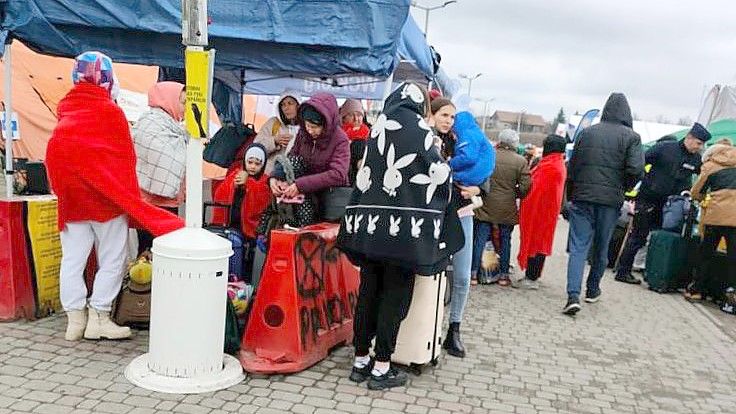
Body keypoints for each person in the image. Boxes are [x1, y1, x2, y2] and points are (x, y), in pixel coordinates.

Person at [45, 51, 184, 341]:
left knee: (72, 260)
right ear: (108, 80)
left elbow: (55, 160)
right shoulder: (111, 113)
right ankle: (99, 317)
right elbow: (124, 162)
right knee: (112, 259)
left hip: (72, 204)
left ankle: (75, 321)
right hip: (107, 203)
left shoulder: (65, 113)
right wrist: (124, 195)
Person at [338, 82, 463, 390]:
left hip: (370, 232)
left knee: (368, 294)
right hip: (404, 235)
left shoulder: (378, 129)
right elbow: (436, 175)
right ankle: (382, 369)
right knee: (394, 298)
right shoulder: (419, 130)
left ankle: (359, 361)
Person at [564, 92, 644, 315]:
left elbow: (572, 167)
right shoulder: (632, 137)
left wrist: (571, 195)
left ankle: (572, 295)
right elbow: (636, 170)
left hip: (582, 197)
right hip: (610, 201)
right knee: (601, 247)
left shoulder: (586, 134)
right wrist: (624, 188)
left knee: (578, 247)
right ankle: (592, 289)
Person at [430, 96, 494, 358]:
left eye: (452, 116)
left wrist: (478, 189)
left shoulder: (462, 140)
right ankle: (426, 328)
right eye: (444, 115)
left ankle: (454, 328)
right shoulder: (426, 140)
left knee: (463, 274)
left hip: (463, 213)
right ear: (432, 115)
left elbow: (486, 179)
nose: (448, 121)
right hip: (433, 215)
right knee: (430, 272)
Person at [615, 125, 708, 284]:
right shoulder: (664, 148)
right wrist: (645, 180)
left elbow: (702, 177)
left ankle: (651, 271)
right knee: (638, 236)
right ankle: (623, 271)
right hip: (648, 199)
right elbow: (640, 161)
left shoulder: (695, 159)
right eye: (698, 143)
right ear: (689, 138)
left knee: (658, 239)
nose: (700, 147)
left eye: (702, 145)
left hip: (671, 206)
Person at [132, 81, 187, 255]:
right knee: (147, 251)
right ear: (169, 100)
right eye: (183, 102)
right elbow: (160, 157)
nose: (185, 108)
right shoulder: (150, 124)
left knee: (164, 250)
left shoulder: (174, 127)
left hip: (168, 201)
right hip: (148, 201)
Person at [269, 93, 350, 206]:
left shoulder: (341, 140)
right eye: (307, 126)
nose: (310, 131)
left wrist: (301, 185)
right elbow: (291, 159)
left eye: (315, 127)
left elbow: (338, 174)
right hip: (306, 194)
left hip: (330, 197)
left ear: (326, 124)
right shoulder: (303, 134)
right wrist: (275, 177)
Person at [473, 129, 531, 287]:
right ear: (514, 143)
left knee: (480, 239)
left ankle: (473, 275)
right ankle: (504, 276)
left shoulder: (488, 154)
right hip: (507, 206)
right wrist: (514, 193)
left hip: (485, 204)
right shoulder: (520, 161)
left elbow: (477, 176)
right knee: (506, 240)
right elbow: (526, 186)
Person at [685, 144, 736, 300]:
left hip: (715, 217)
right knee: (733, 257)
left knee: (706, 253)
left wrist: (700, 198)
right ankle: (731, 292)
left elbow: (696, 191)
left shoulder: (710, 165)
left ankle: (696, 290)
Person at [212, 143, 271, 278]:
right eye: (250, 162)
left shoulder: (265, 181)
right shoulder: (235, 175)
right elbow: (219, 195)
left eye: (257, 163)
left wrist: (248, 183)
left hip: (251, 232)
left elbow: (261, 203)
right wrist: (233, 186)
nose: (252, 166)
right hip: (229, 226)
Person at [517, 135, 567, 288]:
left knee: (536, 242)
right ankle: (533, 275)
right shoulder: (557, 163)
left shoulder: (550, 166)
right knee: (540, 242)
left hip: (540, 212)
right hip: (547, 212)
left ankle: (531, 277)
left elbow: (535, 188)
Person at [255, 90, 301, 174]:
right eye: (283, 105)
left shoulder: (307, 127)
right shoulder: (273, 123)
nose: (286, 108)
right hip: (269, 175)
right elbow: (255, 148)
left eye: (290, 103)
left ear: (298, 105)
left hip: (295, 179)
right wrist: (274, 141)